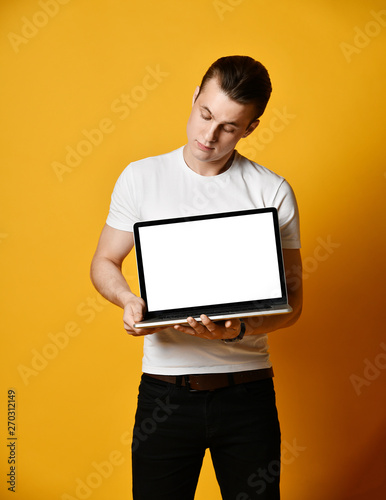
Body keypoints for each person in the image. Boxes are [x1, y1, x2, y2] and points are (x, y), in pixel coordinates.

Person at [90, 55, 303, 500]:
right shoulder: (141, 177)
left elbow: (293, 304)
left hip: (248, 394)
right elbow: (105, 262)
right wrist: (127, 299)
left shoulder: (272, 191)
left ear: (251, 128)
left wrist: (240, 329)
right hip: (164, 396)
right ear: (194, 98)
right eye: (205, 115)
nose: (209, 136)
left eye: (229, 126)